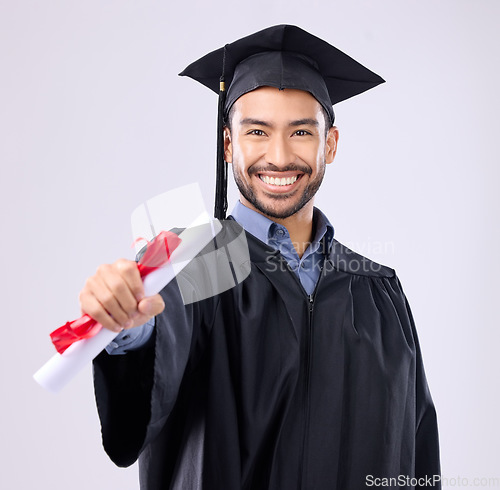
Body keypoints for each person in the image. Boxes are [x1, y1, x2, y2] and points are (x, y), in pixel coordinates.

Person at [83, 25, 441, 489]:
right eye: (257, 131)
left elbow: (416, 456)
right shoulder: (191, 264)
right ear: (229, 145)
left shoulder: (378, 291)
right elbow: (138, 404)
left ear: (329, 144)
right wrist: (130, 332)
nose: (279, 155)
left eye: (300, 132)